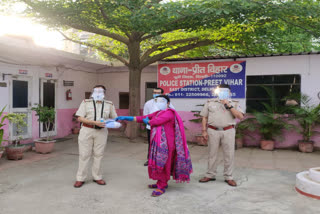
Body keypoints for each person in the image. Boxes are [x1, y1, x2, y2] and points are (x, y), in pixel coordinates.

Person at [116, 95, 192, 197]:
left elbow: (155, 122)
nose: (159, 103)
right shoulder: (158, 112)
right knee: (158, 163)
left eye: (162, 101)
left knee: (164, 164)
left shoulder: (169, 113)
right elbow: (143, 118)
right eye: (158, 101)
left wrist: (148, 121)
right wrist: (127, 118)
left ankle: (162, 185)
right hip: (158, 142)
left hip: (167, 144)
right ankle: (160, 182)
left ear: (168, 103)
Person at [199, 84, 244, 187]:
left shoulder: (235, 103)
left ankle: (229, 177)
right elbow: (204, 117)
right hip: (212, 131)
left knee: (229, 154)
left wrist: (229, 105)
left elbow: (240, 116)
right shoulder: (210, 102)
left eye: (225, 92)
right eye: (221, 91)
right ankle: (210, 175)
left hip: (228, 131)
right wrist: (204, 130)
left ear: (229, 93)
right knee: (212, 153)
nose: (223, 94)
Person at [73, 85, 118, 188]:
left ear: (104, 93)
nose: (98, 93)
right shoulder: (85, 102)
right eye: (96, 91)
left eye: (100, 91)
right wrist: (94, 122)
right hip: (86, 130)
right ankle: (80, 178)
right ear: (92, 92)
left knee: (99, 154)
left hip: (101, 131)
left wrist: (110, 123)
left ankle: (97, 177)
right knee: (84, 155)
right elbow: (79, 118)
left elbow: (115, 118)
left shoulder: (109, 104)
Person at [143, 87, 174, 166]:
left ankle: (163, 161)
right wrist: (148, 122)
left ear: (162, 94)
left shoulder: (168, 104)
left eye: (158, 93)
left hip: (164, 129)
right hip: (151, 128)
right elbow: (145, 115)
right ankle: (150, 160)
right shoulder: (148, 103)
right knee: (151, 144)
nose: (155, 94)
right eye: (154, 92)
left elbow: (173, 114)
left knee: (163, 145)